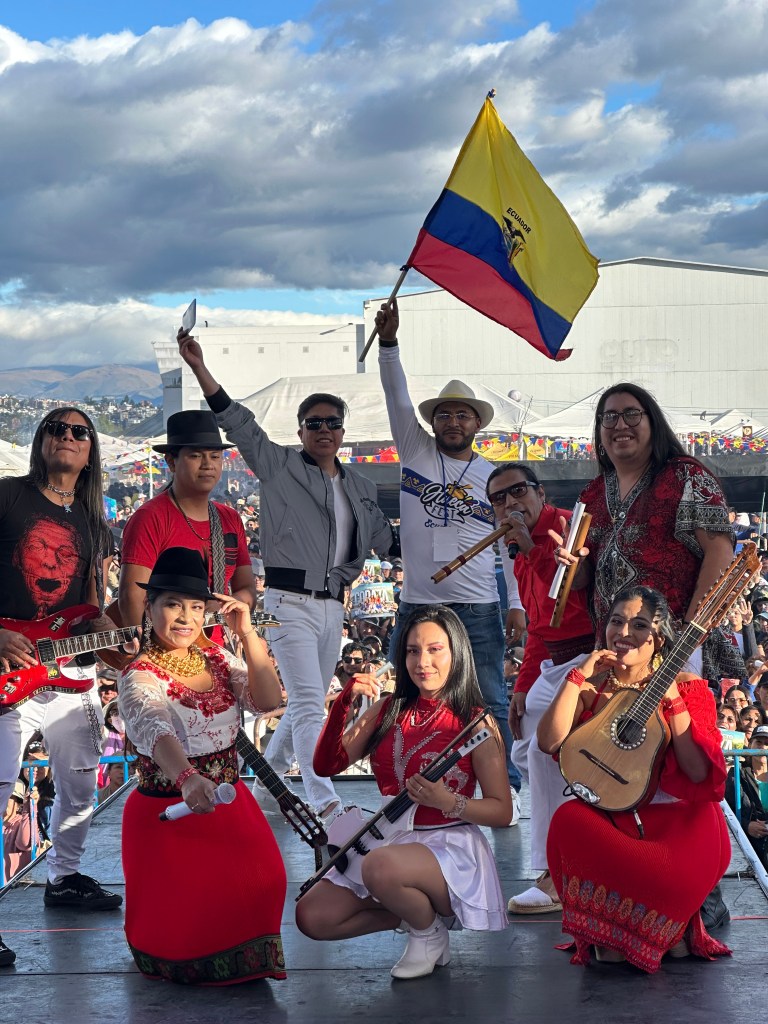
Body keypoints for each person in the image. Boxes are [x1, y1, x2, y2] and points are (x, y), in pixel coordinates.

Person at [178, 329, 393, 821]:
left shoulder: (361, 485)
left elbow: (386, 539)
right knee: (309, 703)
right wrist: (200, 368)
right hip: (286, 602)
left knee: (305, 705)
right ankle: (325, 800)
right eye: (314, 423)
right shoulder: (279, 466)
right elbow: (239, 423)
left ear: (343, 432)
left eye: (332, 422)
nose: (324, 430)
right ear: (300, 432)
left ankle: (267, 784)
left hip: (334, 605)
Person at [296, 606, 510, 979]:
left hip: (449, 848)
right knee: (313, 916)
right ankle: (414, 916)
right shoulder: (387, 709)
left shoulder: (475, 721)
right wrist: (344, 702)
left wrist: (448, 802)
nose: (422, 662)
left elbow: (502, 811)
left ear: (456, 653)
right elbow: (325, 765)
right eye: (413, 650)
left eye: (435, 649)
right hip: (387, 838)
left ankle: (427, 934)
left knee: (380, 866)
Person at [375, 299, 520, 818]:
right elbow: (396, 395)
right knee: (408, 696)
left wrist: (516, 602)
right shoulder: (414, 451)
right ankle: (401, 777)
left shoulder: (493, 477)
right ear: (432, 421)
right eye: (444, 414)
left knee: (491, 698)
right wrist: (388, 344)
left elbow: (510, 545)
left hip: (478, 605)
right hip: (418, 603)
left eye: (462, 414)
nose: (452, 421)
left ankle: (507, 790)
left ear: (477, 423)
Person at [538, 586, 732, 971]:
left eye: (640, 625)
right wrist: (577, 677)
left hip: (678, 826)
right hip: (618, 821)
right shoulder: (592, 685)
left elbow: (697, 771)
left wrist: (673, 700)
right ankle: (627, 931)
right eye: (617, 621)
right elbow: (549, 742)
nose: (625, 632)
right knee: (566, 820)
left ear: (659, 640)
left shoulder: (688, 687)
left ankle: (656, 926)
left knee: (687, 848)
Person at [118, 547, 286, 984]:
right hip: (170, 813)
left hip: (229, 802)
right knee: (189, 932)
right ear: (150, 607)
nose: (186, 617)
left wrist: (248, 634)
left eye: (196, 607)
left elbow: (267, 700)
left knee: (267, 883)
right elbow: (156, 730)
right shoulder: (138, 674)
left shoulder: (218, 658)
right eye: (173, 604)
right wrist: (188, 778)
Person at [0, 408, 126, 969]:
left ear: (91, 449)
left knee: (79, 785)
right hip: (8, 670)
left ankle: (66, 876)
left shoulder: (94, 521)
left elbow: (91, 605)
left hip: (69, 673)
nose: (68, 438)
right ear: (41, 440)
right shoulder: (8, 496)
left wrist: (110, 630)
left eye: (80, 432)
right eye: (57, 428)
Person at [556, 383, 741, 682]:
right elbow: (583, 580)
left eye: (631, 414)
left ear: (652, 423)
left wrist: (690, 635)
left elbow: (720, 553)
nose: (620, 425)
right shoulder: (591, 494)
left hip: (677, 647)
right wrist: (572, 565)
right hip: (613, 653)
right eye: (609, 417)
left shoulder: (686, 476)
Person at [485, 464, 594, 913]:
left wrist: (531, 549)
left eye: (518, 491)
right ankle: (581, 836)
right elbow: (538, 627)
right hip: (553, 662)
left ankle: (556, 873)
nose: (510, 503)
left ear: (540, 492)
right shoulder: (517, 549)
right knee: (522, 750)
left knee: (543, 755)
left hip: (590, 657)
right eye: (499, 498)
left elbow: (565, 598)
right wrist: (523, 685)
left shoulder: (568, 528)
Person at [119, 410, 256, 636]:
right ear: (171, 462)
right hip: (166, 648)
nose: (208, 465)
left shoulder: (229, 519)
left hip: (218, 646)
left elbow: (247, 589)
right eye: (195, 456)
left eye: (215, 456)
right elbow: (131, 596)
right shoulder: (151, 517)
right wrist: (147, 649)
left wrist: (225, 603)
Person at [725, 724, 768, 870]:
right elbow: (727, 811)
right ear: (749, 745)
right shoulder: (736, 774)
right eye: (759, 742)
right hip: (748, 846)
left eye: (767, 743)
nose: (763, 747)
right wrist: (746, 825)